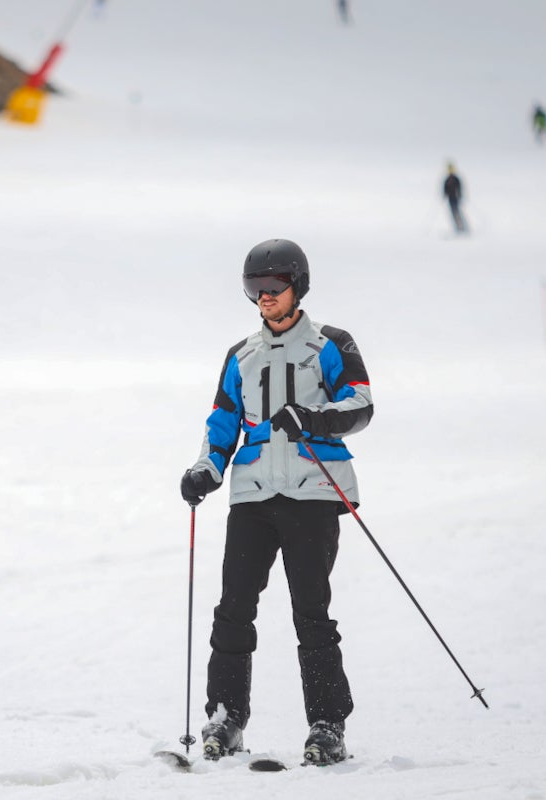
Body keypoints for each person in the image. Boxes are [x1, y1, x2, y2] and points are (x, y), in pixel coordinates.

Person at [179, 239, 373, 766]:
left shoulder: (331, 344)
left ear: (298, 288)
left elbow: (360, 403)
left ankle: (327, 725)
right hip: (254, 496)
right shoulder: (241, 355)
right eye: (253, 288)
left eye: (273, 287)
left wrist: (311, 418)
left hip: (312, 491)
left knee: (311, 612)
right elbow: (222, 423)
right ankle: (226, 718)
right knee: (234, 609)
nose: (263, 297)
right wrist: (206, 468)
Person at [442, 162, 468, 235]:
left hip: (456, 199)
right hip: (450, 199)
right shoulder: (447, 180)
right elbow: (445, 189)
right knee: (453, 213)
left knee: (457, 213)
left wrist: (459, 195)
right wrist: (444, 195)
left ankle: (462, 227)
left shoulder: (456, 179)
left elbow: (459, 188)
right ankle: (458, 227)